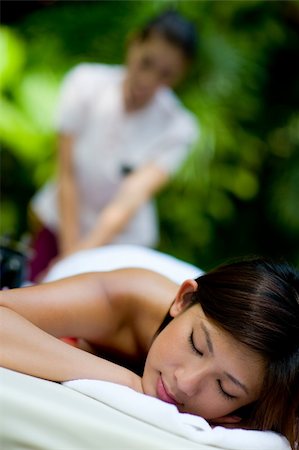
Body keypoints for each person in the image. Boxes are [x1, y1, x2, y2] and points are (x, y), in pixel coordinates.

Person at [0, 254, 298, 449]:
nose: (185, 382)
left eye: (225, 389)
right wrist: (126, 381)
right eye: (195, 345)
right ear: (183, 299)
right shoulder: (129, 297)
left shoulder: (271, 390)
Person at [28, 9, 199, 281]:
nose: (149, 80)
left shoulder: (180, 127)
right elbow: (66, 173)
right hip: (61, 222)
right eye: (146, 63)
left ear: (181, 75)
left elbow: (128, 200)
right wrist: (70, 252)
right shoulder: (84, 83)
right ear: (133, 43)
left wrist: (76, 260)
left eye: (166, 74)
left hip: (118, 247)